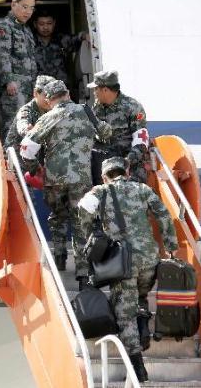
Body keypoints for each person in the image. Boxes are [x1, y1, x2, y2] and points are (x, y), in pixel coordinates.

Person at [78, 156, 178, 382]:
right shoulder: (142, 189)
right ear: (127, 170)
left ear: (105, 175)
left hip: (123, 264)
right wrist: (171, 247)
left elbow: (82, 210)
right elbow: (163, 214)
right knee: (140, 297)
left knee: (124, 317)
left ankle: (138, 367)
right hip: (149, 259)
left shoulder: (99, 192)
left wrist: (90, 233)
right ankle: (143, 327)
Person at [20, 79, 111, 286]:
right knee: (80, 223)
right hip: (81, 179)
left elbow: (26, 147)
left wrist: (35, 169)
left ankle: (60, 259)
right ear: (67, 93)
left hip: (54, 179)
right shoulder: (86, 112)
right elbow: (106, 134)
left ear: (49, 99)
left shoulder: (48, 117)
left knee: (58, 217)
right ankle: (82, 273)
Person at [87, 70, 150, 185]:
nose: (94, 93)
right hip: (105, 166)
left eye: (96, 89)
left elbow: (141, 141)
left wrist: (126, 162)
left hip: (129, 167)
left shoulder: (132, 107)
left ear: (105, 89)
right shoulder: (97, 107)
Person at [0, 0, 38, 138]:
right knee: (13, 128)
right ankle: (10, 159)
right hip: (14, 89)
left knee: (27, 128)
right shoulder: (4, 27)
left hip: (28, 87)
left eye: (32, 8)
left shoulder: (26, 30)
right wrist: (9, 81)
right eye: (25, 7)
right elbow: (2, 55)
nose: (28, 12)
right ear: (13, 5)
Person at [3, 74, 54, 166]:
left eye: (52, 96)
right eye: (45, 95)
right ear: (35, 93)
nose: (49, 99)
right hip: (17, 162)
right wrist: (29, 130)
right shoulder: (26, 110)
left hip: (36, 161)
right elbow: (23, 126)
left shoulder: (51, 110)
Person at [33, 8, 88, 86]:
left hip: (60, 87)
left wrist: (85, 36)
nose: (45, 27)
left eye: (49, 23)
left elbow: (77, 38)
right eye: (41, 24)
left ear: (54, 23)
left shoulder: (62, 40)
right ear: (35, 24)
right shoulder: (29, 42)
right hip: (38, 87)